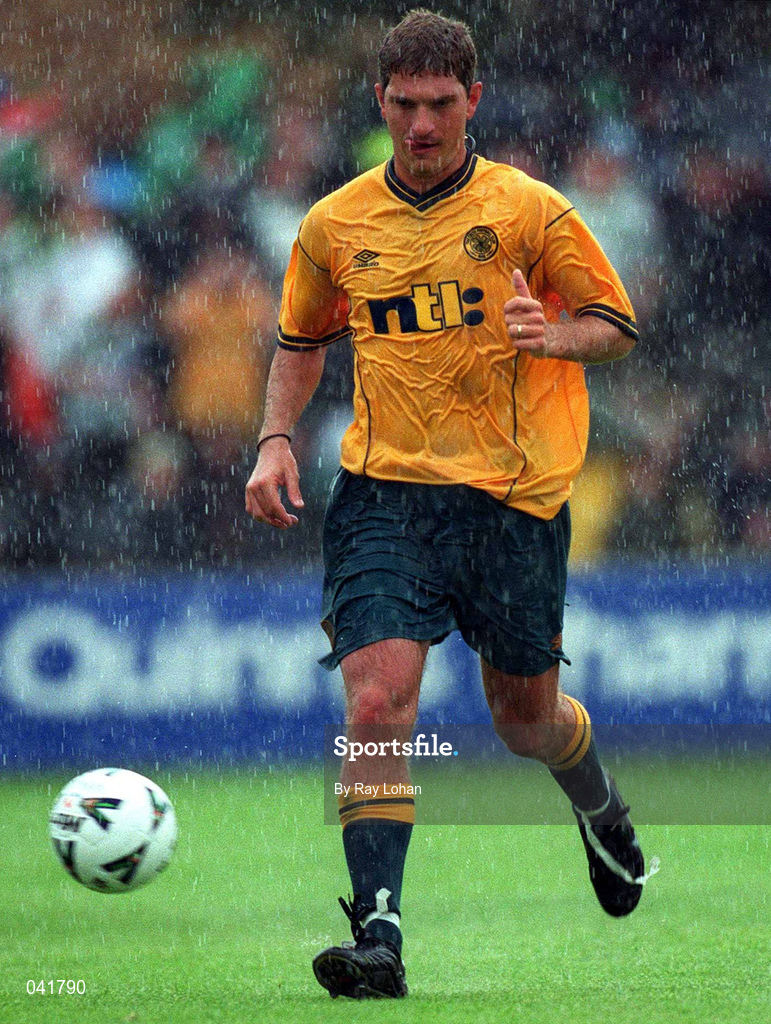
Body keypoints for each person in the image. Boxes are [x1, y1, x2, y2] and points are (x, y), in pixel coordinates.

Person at [246, 8, 656, 1000]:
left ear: (474, 100)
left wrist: (551, 336)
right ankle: (378, 930)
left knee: (527, 720)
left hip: (512, 501)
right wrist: (270, 440)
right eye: (403, 104)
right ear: (380, 101)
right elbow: (303, 339)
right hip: (385, 495)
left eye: (440, 104)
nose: (421, 123)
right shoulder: (336, 223)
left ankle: (597, 803)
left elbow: (615, 321)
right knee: (378, 703)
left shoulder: (528, 211)